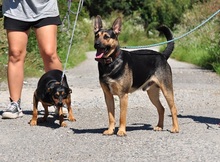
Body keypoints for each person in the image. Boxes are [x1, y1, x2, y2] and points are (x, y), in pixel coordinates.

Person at [2, 0, 63, 119]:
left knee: (49, 52)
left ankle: (59, 99)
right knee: (15, 54)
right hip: (15, 9)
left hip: (45, 7)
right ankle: (15, 104)